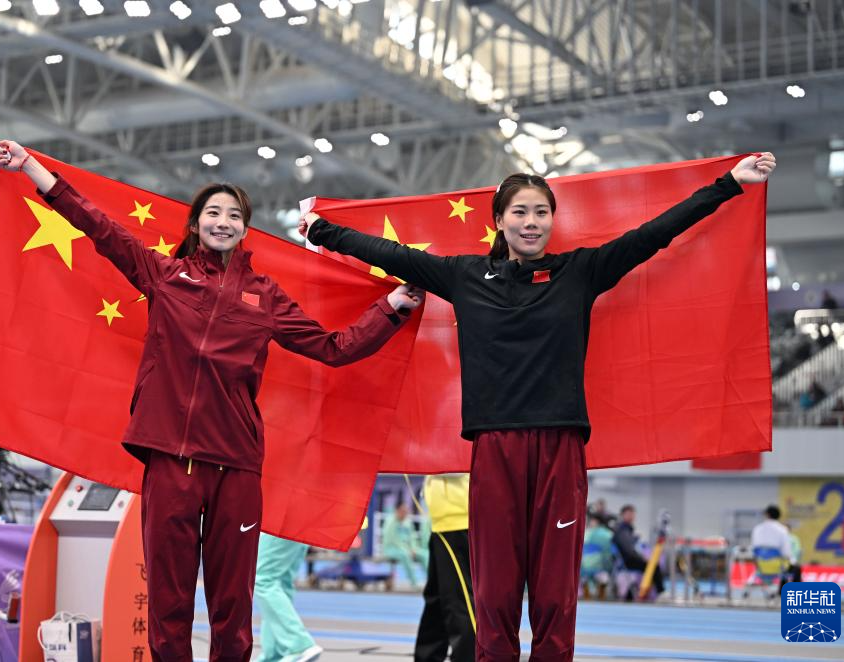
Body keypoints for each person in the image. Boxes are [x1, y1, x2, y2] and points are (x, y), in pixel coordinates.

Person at [298, 152, 776, 661]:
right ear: (499, 221)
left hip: (560, 447)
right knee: (494, 595)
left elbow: (654, 234)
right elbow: (390, 253)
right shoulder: (463, 276)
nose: (532, 222)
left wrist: (729, 183)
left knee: (554, 596)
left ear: (553, 219)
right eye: (521, 212)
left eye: (542, 212)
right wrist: (321, 230)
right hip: (494, 447)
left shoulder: (581, 271)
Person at [0, 140, 425, 662]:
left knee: (232, 607)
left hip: (235, 467)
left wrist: (392, 306)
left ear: (244, 229)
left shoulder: (265, 296)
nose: (224, 222)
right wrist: (32, 168)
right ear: (196, 225)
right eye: (214, 213)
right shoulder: (164, 275)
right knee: (168, 604)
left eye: (235, 215)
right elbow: (99, 227)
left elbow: (334, 349)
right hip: (170, 459)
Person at [415, 474, 475, 662]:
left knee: (459, 603)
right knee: (437, 601)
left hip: (459, 521)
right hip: (441, 524)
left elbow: (457, 463)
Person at [254, 534, 322, 662]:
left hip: (282, 523)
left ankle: (298, 645)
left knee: (263, 580)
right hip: (302, 525)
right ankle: (275, 654)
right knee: (282, 582)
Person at [611, 505, 664, 597]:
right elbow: (628, 551)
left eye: (633, 514)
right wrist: (642, 558)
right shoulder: (622, 530)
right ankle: (660, 592)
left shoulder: (627, 530)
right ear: (622, 515)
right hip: (628, 561)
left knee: (652, 565)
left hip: (630, 558)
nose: (631, 516)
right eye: (629, 514)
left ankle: (650, 592)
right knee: (654, 566)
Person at [382, 502, 429, 587]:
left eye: (406, 511)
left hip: (408, 549)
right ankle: (414, 583)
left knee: (425, 554)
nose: (405, 513)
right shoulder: (390, 522)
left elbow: (412, 538)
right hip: (391, 549)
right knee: (405, 555)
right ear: (397, 511)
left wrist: (413, 548)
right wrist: (407, 550)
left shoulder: (408, 522)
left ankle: (432, 581)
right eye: (403, 511)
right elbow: (393, 540)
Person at [750, 505, 795, 585]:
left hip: (761, 566)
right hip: (777, 566)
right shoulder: (782, 530)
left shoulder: (757, 529)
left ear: (767, 514)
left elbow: (753, 550)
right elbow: (786, 552)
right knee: (795, 568)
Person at [580, 514, 614, 600]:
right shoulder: (609, 534)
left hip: (586, 568)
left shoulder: (585, 533)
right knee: (603, 578)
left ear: (595, 522)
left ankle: (588, 595)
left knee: (586, 579)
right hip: (600, 568)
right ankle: (600, 595)